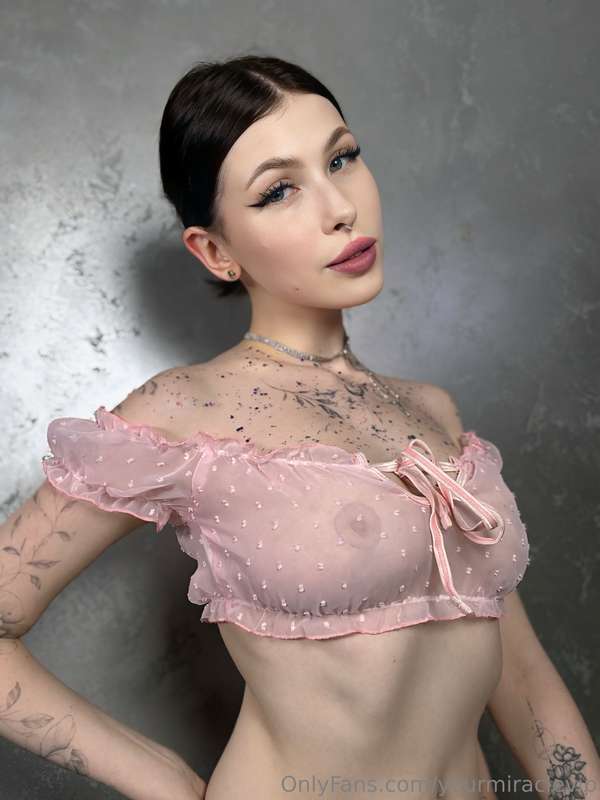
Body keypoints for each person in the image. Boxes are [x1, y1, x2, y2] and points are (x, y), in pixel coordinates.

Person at [1, 54, 598, 800]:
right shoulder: (182, 414)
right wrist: (166, 780)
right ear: (215, 251)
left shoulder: (433, 412)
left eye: (341, 158)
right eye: (278, 190)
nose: (340, 207)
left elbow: (525, 678)